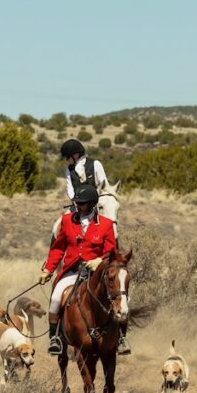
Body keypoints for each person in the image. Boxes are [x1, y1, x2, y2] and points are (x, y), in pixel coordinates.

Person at [38, 184, 124, 356]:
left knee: (120, 297)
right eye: (77, 202)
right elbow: (58, 249)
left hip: (97, 274)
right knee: (55, 298)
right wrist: (48, 270)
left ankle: (121, 337)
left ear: (92, 204)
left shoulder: (106, 225)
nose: (78, 205)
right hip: (72, 271)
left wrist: (100, 260)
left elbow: (111, 252)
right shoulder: (67, 220)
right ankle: (55, 338)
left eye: (82, 203)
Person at [61, 138, 109, 206]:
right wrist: (74, 200)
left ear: (75, 155)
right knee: (64, 217)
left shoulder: (95, 164)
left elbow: (104, 185)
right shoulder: (68, 170)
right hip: (79, 205)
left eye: (67, 157)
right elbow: (70, 189)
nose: (66, 160)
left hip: (97, 203)